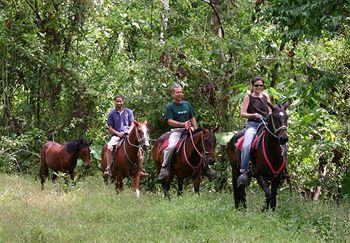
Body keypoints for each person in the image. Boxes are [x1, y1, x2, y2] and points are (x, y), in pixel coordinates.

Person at [157, 83, 216, 182]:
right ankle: (164, 168)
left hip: (190, 130)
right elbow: (170, 121)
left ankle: (207, 169)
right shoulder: (170, 106)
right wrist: (182, 124)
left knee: (201, 146)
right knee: (171, 147)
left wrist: (196, 130)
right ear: (173, 94)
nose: (179, 94)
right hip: (177, 131)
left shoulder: (187, 104)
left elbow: (192, 118)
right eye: (177, 92)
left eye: (180, 92)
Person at [237, 76, 271, 186]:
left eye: (261, 85)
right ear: (252, 86)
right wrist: (253, 115)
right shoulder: (248, 98)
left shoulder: (266, 97)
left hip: (265, 125)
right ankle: (244, 171)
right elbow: (242, 113)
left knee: (280, 141)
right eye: (257, 85)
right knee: (246, 145)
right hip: (253, 125)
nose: (259, 87)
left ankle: (283, 169)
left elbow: (270, 112)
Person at [104, 95, 135, 177]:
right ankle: (108, 167)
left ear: (123, 101)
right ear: (114, 102)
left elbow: (132, 123)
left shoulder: (129, 112)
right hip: (117, 136)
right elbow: (110, 127)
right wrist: (118, 133)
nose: (119, 103)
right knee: (109, 147)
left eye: (120, 101)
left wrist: (128, 131)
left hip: (128, 135)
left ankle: (141, 169)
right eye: (117, 101)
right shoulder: (112, 113)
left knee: (141, 146)